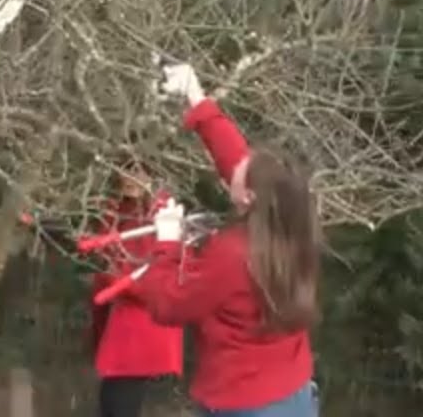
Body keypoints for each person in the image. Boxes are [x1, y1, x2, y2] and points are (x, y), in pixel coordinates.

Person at [131, 63, 320, 417]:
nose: (235, 167)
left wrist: (168, 242)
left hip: (243, 404)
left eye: (240, 174)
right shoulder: (293, 224)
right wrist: (195, 96)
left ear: (248, 197)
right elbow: (237, 158)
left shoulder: (234, 253)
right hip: (293, 394)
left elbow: (169, 305)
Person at [87, 157, 184, 417]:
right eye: (126, 169)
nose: (132, 177)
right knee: (112, 403)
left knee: (118, 404)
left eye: (140, 170)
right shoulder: (116, 210)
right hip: (118, 325)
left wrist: (117, 280)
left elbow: (160, 278)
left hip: (140, 332)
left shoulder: (162, 216)